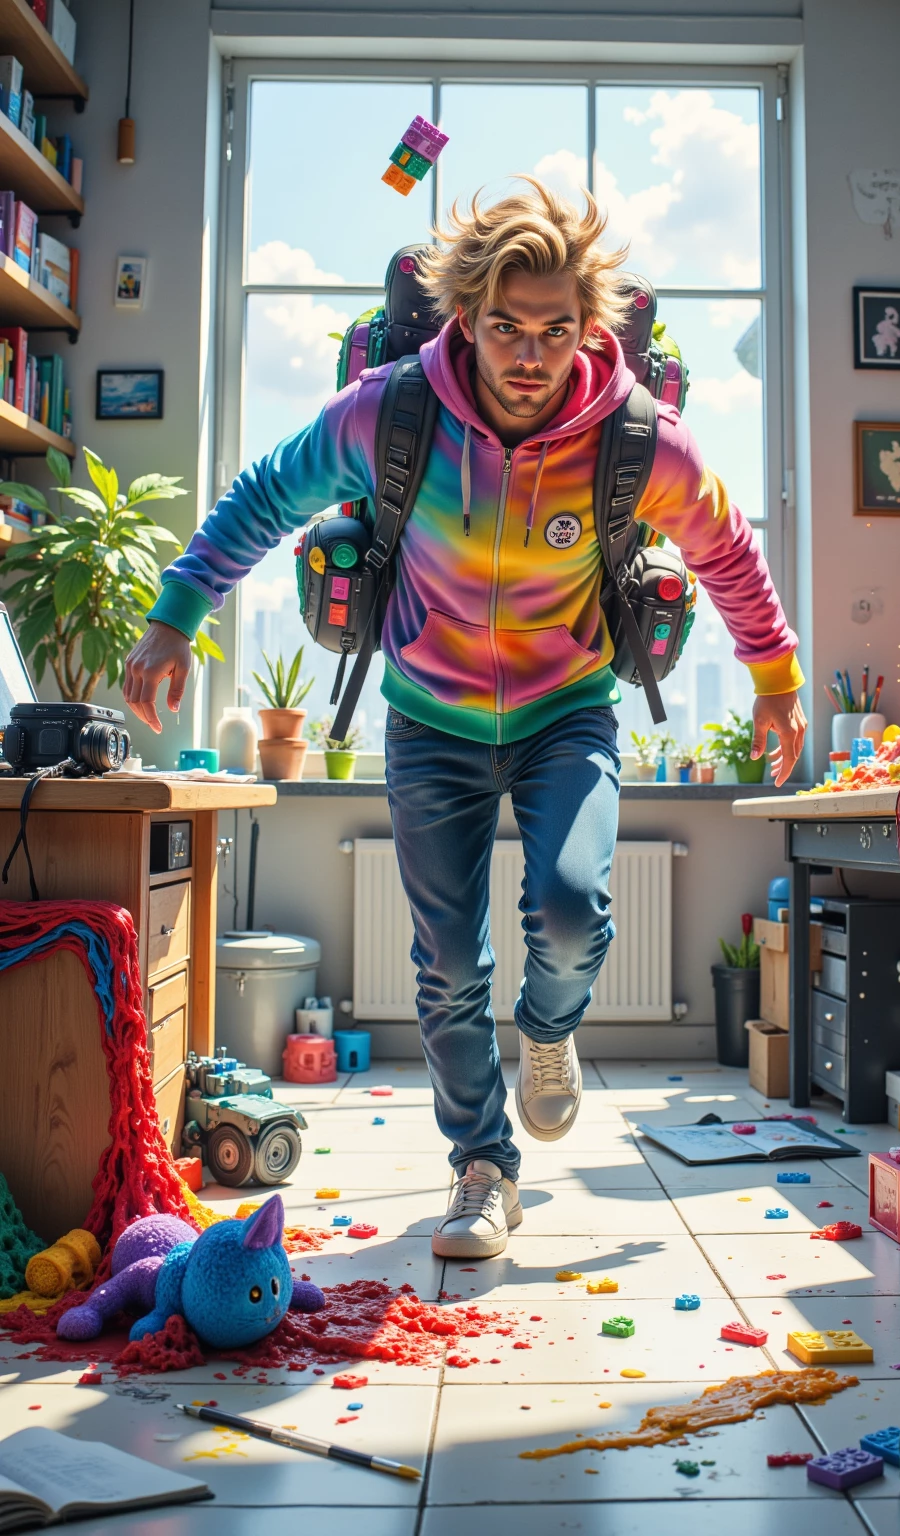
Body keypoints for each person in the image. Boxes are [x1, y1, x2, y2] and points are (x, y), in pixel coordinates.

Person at [124, 178, 806, 1262]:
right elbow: (264, 496)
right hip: (428, 718)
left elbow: (727, 551)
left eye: (553, 330)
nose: (528, 355)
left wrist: (775, 679)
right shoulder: (392, 411)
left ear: (588, 327)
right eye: (503, 327)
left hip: (568, 712)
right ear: (465, 318)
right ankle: (483, 1168)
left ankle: (547, 1033)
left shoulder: (638, 441)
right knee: (444, 963)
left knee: (576, 912)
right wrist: (174, 613)